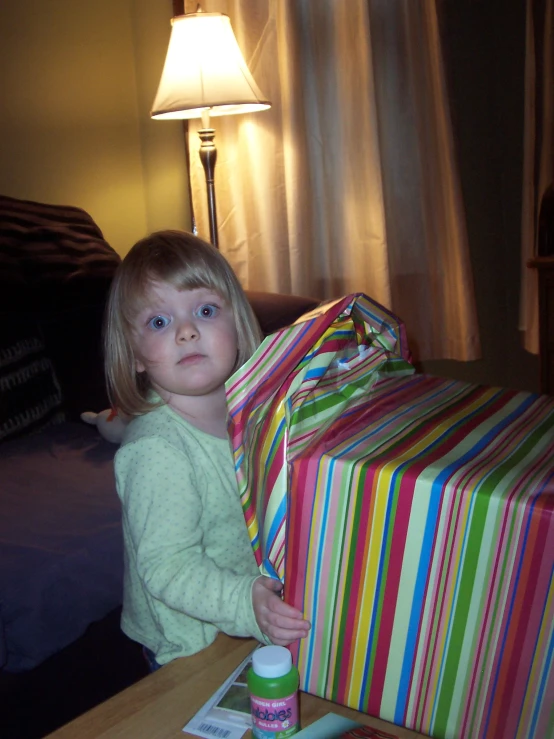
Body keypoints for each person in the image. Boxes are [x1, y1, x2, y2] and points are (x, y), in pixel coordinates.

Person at [104, 230, 310, 668]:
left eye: (205, 310)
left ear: (236, 323)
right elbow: (168, 567)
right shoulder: (157, 450)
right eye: (159, 322)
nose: (186, 331)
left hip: (249, 616)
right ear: (135, 354)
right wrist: (245, 601)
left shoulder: (252, 416)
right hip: (189, 645)